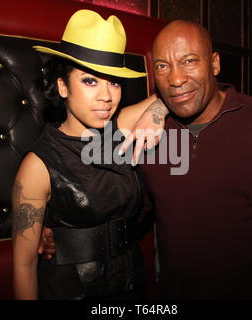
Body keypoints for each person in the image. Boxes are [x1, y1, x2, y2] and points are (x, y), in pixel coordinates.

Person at [41, 19, 252, 300]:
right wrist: (69, 235)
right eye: (162, 66)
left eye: (189, 61)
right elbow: (127, 209)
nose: (175, 78)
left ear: (215, 64)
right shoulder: (148, 134)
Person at [11, 9, 159, 300]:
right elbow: (23, 264)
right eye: (90, 81)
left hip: (131, 286)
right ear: (63, 86)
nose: (107, 95)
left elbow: (175, 93)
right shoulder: (38, 165)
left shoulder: (118, 131)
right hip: (70, 290)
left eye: (114, 82)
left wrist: (157, 113)